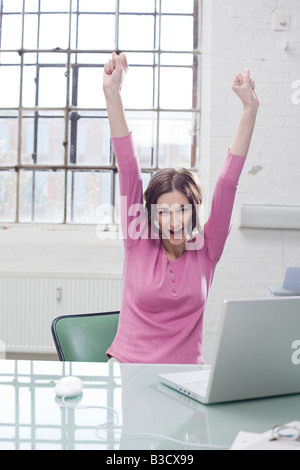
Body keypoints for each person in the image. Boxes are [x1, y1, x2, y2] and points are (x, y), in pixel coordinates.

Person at [103, 52, 260, 364]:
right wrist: (112, 93)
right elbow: (128, 165)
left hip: (187, 374)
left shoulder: (208, 246)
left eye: (182, 210)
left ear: (194, 210)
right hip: (128, 369)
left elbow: (228, 182)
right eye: (162, 212)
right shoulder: (138, 239)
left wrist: (249, 109)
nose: (173, 221)